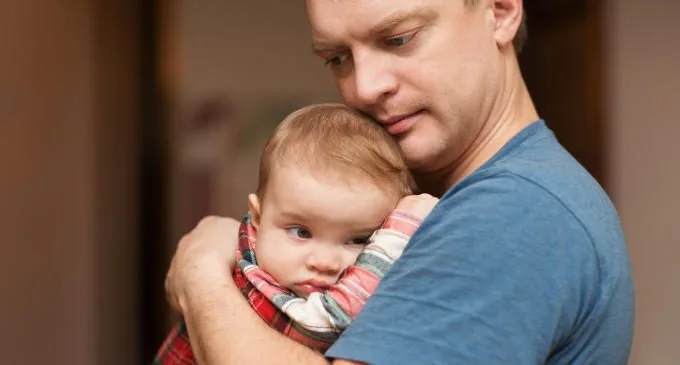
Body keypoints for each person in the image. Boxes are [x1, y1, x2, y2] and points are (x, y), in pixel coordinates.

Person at [163, 0, 635, 364]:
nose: (364, 87)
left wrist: (201, 275)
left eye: (399, 39)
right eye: (338, 57)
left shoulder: (514, 211)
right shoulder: (439, 201)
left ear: (501, 10)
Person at [154, 103, 436, 364]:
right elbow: (324, 323)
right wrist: (402, 230)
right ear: (257, 218)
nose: (324, 262)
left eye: (359, 240)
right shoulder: (250, 283)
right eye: (301, 232)